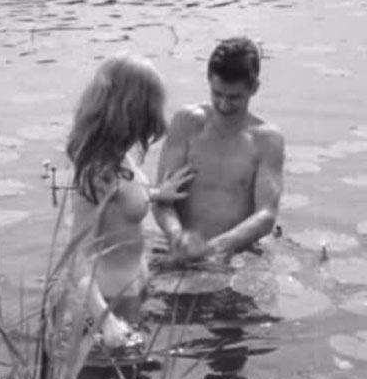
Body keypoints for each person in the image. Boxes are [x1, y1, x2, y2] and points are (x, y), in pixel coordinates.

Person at [65, 54, 194, 348]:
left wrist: (158, 193)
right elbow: (76, 257)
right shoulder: (98, 171)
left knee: (140, 375)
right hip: (108, 300)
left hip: (131, 290)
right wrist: (107, 321)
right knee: (110, 377)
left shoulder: (118, 157)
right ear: (133, 111)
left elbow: (122, 200)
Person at [152, 37, 285, 261]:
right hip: (178, 248)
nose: (223, 105)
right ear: (209, 81)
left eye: (234, 98)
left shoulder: (267, 140)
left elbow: (266, 215)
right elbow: (162, 197)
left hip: (232, 256)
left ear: (254, 88)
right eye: (217, 94)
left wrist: (213, 248)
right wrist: (177, 235)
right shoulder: (186, 123)